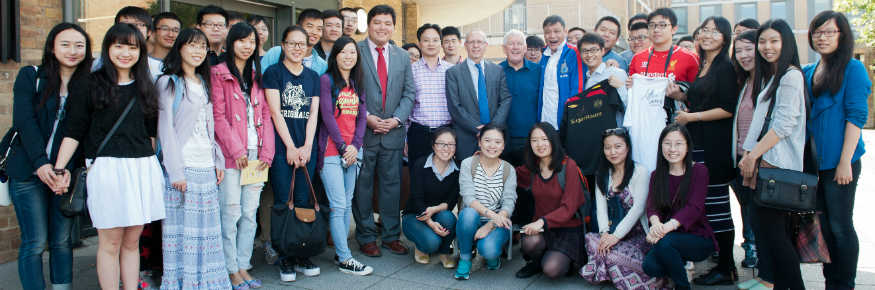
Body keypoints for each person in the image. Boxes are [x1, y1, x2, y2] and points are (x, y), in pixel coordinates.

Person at [52, 22, 165, 290]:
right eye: (119, 46)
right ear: (108, 48)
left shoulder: (146, 86)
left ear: (140, 50)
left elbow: (150, 134)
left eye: (132, 46)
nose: (125, 52)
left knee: (131, 242)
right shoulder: (90, 84)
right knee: (111, 241)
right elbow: (75, 131)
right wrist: (58, 169)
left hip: (142, 168)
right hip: (106, 169)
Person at [7, 23, 91, 290]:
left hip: (65, 175)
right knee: (33, 242)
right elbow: (24, 121)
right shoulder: (31, 76)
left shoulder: (89, 84)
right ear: (52, 47)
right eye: (65, 44)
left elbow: (85, 130)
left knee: (61, 241)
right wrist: (42, 164)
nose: (72, 50)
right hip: (28, 173)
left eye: (79, 45)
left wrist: (65, 169)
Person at [155, 27, 232, 290]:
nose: (199, 51)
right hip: (182, 169)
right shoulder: (169, 82)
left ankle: (206, 283)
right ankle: (182, 284)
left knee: (206, 232)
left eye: (202, 47)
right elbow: (164, 129)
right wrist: (175, 172)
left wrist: (217, 161)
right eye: (192, 45)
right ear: (179, 49)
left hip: (205, 166)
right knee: (181, 234)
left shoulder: (203, 82)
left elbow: (209, 128)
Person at [670, 16, 739, 286]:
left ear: (725, 37)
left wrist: (691, 118)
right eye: (704, 30)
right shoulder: (705, 64)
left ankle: (726, 267)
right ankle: (725, 266)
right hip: (700, 145)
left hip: (714, 149)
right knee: (709, 207)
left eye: (715, 31)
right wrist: (683, 99)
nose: (708, 35)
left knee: (718, 207)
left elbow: (727, 107)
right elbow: (704, 98)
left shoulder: (725, 67)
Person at [739, 19, 807, 290]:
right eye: (763, 41)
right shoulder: (774, 76)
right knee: (763, 228)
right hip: (763, 161)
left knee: (776, 234)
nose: (767, 47)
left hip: (774, 163)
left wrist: (752, 156)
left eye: (774, 41)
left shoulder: (791, 76)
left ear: (786, 42)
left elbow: (783, 125)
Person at [805, 11, 870, 290]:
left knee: (841, 226)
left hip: (841, 162)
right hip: (814, 165)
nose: (822, 37)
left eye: (829, 32)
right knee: (823, 226)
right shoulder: (808, 71)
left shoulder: (853, 69)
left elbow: (857, 116)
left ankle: (845, 283)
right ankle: (831, 280)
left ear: (842, 35)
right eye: (817, 32)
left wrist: (845, 162)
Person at [211, 22, 273, 290]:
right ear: (231, 42)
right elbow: (218, 116)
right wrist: (236, 150)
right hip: (232, 155)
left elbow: (267, 116)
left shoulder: (257, 74)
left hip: (256, 155)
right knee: (231, 213)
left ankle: (244, 266)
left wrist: (267, 152)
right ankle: (230, 269)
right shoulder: (218, 73)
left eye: (252, 41)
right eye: (242, 41)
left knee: (250, 213)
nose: (247, 46)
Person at [261, 24, 324, 283]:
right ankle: (284, 255)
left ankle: (300, 253)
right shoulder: (273, 72)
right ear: (283, 46)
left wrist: (307, 145)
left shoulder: (313, 77)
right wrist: (289, 146)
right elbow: (276, 112)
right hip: (281, 147)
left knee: (302, 200)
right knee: (283, 201)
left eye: (302, 44)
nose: (297, 48)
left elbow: (313, 114)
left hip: (306, 146)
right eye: (292, 43)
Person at [353, 4, 416, 258]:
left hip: (392, 132)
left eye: (387, 23)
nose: (382, 27)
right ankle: (367, 236)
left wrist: (397, 119)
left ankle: (391, 235)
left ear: (393, 27)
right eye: (377, 22)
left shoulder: (401, 55)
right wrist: (365, 117)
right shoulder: (354, 50)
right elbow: (347, 88)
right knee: (363, 186)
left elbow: (409, 92)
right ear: (369, 25)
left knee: (392, 186)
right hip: (363, 133)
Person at [581, 127, 670, 289]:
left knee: (610, 253)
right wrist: (604, 234)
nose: (612, 152)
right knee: (591, 240)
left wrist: (615, 236)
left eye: (617, 146)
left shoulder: (640, 172)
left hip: (638, 234)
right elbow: (601, 208)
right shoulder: (602, 173)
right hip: (612, 230)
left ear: (627, 148)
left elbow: (638, 208)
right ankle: (616, 268)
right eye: (607, 148)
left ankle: (613, 268)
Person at [315, 35, 373, 275]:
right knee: (338, 205)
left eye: (352, 52)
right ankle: (345, 258)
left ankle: (342, 253)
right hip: (331, 152)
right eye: (343, 52)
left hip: (353, 153)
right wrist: (343, 147)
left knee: (346, 204)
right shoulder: (326, 81)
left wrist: (355, 146)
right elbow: (327, 117)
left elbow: (362, 117)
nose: (348, 57)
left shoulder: (358, 82)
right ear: (334, 55)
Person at [641, 123, 716, 290]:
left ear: (687, 147)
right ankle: (680, 267)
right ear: (661, 146)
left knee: (664, 242)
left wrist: (664, 229)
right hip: (669, 236)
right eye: (667, 143)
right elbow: (652, 206)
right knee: (650, 266)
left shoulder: (699, 171)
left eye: (678, 143)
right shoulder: (656, 174)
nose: (672, 148)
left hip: (698, 238)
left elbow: (694, 208)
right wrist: (656, 225)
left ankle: (682, 287)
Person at [514, 123, 587, 279]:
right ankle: (536, 263)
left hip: (567, 229)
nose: (539, 144)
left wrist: (541, 221)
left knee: (552, 269)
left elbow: (568, 208)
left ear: (553, 140)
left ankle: (564, 263)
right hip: (544, 229)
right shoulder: (533, 166)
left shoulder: (569, 166)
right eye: (534, 140)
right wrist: (488, 159)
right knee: (528, 243)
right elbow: (509, 174)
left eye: (544, 139)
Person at [731, 29, 773, 290]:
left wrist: (754, 156)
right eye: (738, 50)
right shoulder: (743, 81)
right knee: (755, 219)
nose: (744, 55)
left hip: (763, 161)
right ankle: (763, 275)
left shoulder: (772, 81)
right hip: (741, 158)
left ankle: (770, 278)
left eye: (749, 48)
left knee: (767, 223)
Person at [455, 123, 517, 280]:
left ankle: (491, 254)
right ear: (480, 142)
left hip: (498, 223)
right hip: (473, 219)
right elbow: (468, 197)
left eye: (498, 142)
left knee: (488, 250)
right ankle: (465, 258)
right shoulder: (468, 164)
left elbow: (509, 203)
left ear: (503, 145)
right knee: (468, 213)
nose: (492, 146)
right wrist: (491, 215)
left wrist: (491, 224)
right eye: (487, 140)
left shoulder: (509, 169)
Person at [446, 30, 512, 159]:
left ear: (486, 45)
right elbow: (454, 106)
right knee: (468, 177)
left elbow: (505, 99)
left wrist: (492, 129)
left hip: (497, 137)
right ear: (465, 46)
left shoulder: (497, 70)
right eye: (471, 42)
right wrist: (478, 129)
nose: (476, 45)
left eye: (480, 42)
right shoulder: (453, 73)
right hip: (467, 137)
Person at [403, 127, 460, 268]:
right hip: (415, 215)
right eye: (441, 144)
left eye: (451, 144)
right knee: (431, 243)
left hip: (438, 214)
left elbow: (451, 201)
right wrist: (430, 222)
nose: (446, 148)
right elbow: (417, 198)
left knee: (449, 217)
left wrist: (434, 210)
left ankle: (445, 252)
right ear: (433, 145)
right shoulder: (420, 164)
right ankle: (422, 245)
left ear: (455, 147)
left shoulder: (458, 169)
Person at [406, 23, 453, 165]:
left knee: (446, 179)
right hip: (419, 134)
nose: (431, 44)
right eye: (426, 40)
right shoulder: (410, 71)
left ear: (440, 43)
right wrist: (405, 140)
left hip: (446, 134)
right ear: (419, 43)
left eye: (435, 40)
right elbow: (406, 105)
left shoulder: (452, 71)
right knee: (418, 178)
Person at [500, 29, 541, 167]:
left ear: (525, 47)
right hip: (503, 137)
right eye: (511, 43)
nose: (515, 47)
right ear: (504, 48)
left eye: (519, 43)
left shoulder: (539, 71)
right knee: (507, 181)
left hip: (532, 137)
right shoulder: (495, 71)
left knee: (530, 182)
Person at [627, 8, 698, 84]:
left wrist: (681, 95)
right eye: (652, 25)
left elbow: (696, 92)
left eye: (662, 25)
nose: (656, 30)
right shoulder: (638, 57)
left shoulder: (689, 58)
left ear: (674, 29)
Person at [539, 15, 582, 130]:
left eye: (556, 31)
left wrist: (571, 115)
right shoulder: (543, 55)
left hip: (565, 120)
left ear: (565, 31)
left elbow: (578, 87)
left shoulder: (574, 52)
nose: (552, 35)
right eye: (547, 32)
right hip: (545, 120)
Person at [260, 9, 328, 75]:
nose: (314, 32)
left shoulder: (322, 65)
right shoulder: (275, 53)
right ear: (298, 27)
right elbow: (259, 80)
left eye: (319, 29)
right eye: (310, 26)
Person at [91, 6, 154, 73]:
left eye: (137, 24)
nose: (130, 29)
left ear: (149, 31)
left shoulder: (155, 66)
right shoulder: (99, 64)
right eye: (125, 24)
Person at [149, 12, 181, 80]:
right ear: (153, 33)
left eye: (176, 30)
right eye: (165, 29)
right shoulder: (142, 61)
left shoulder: (182, 64)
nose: (170, 34)